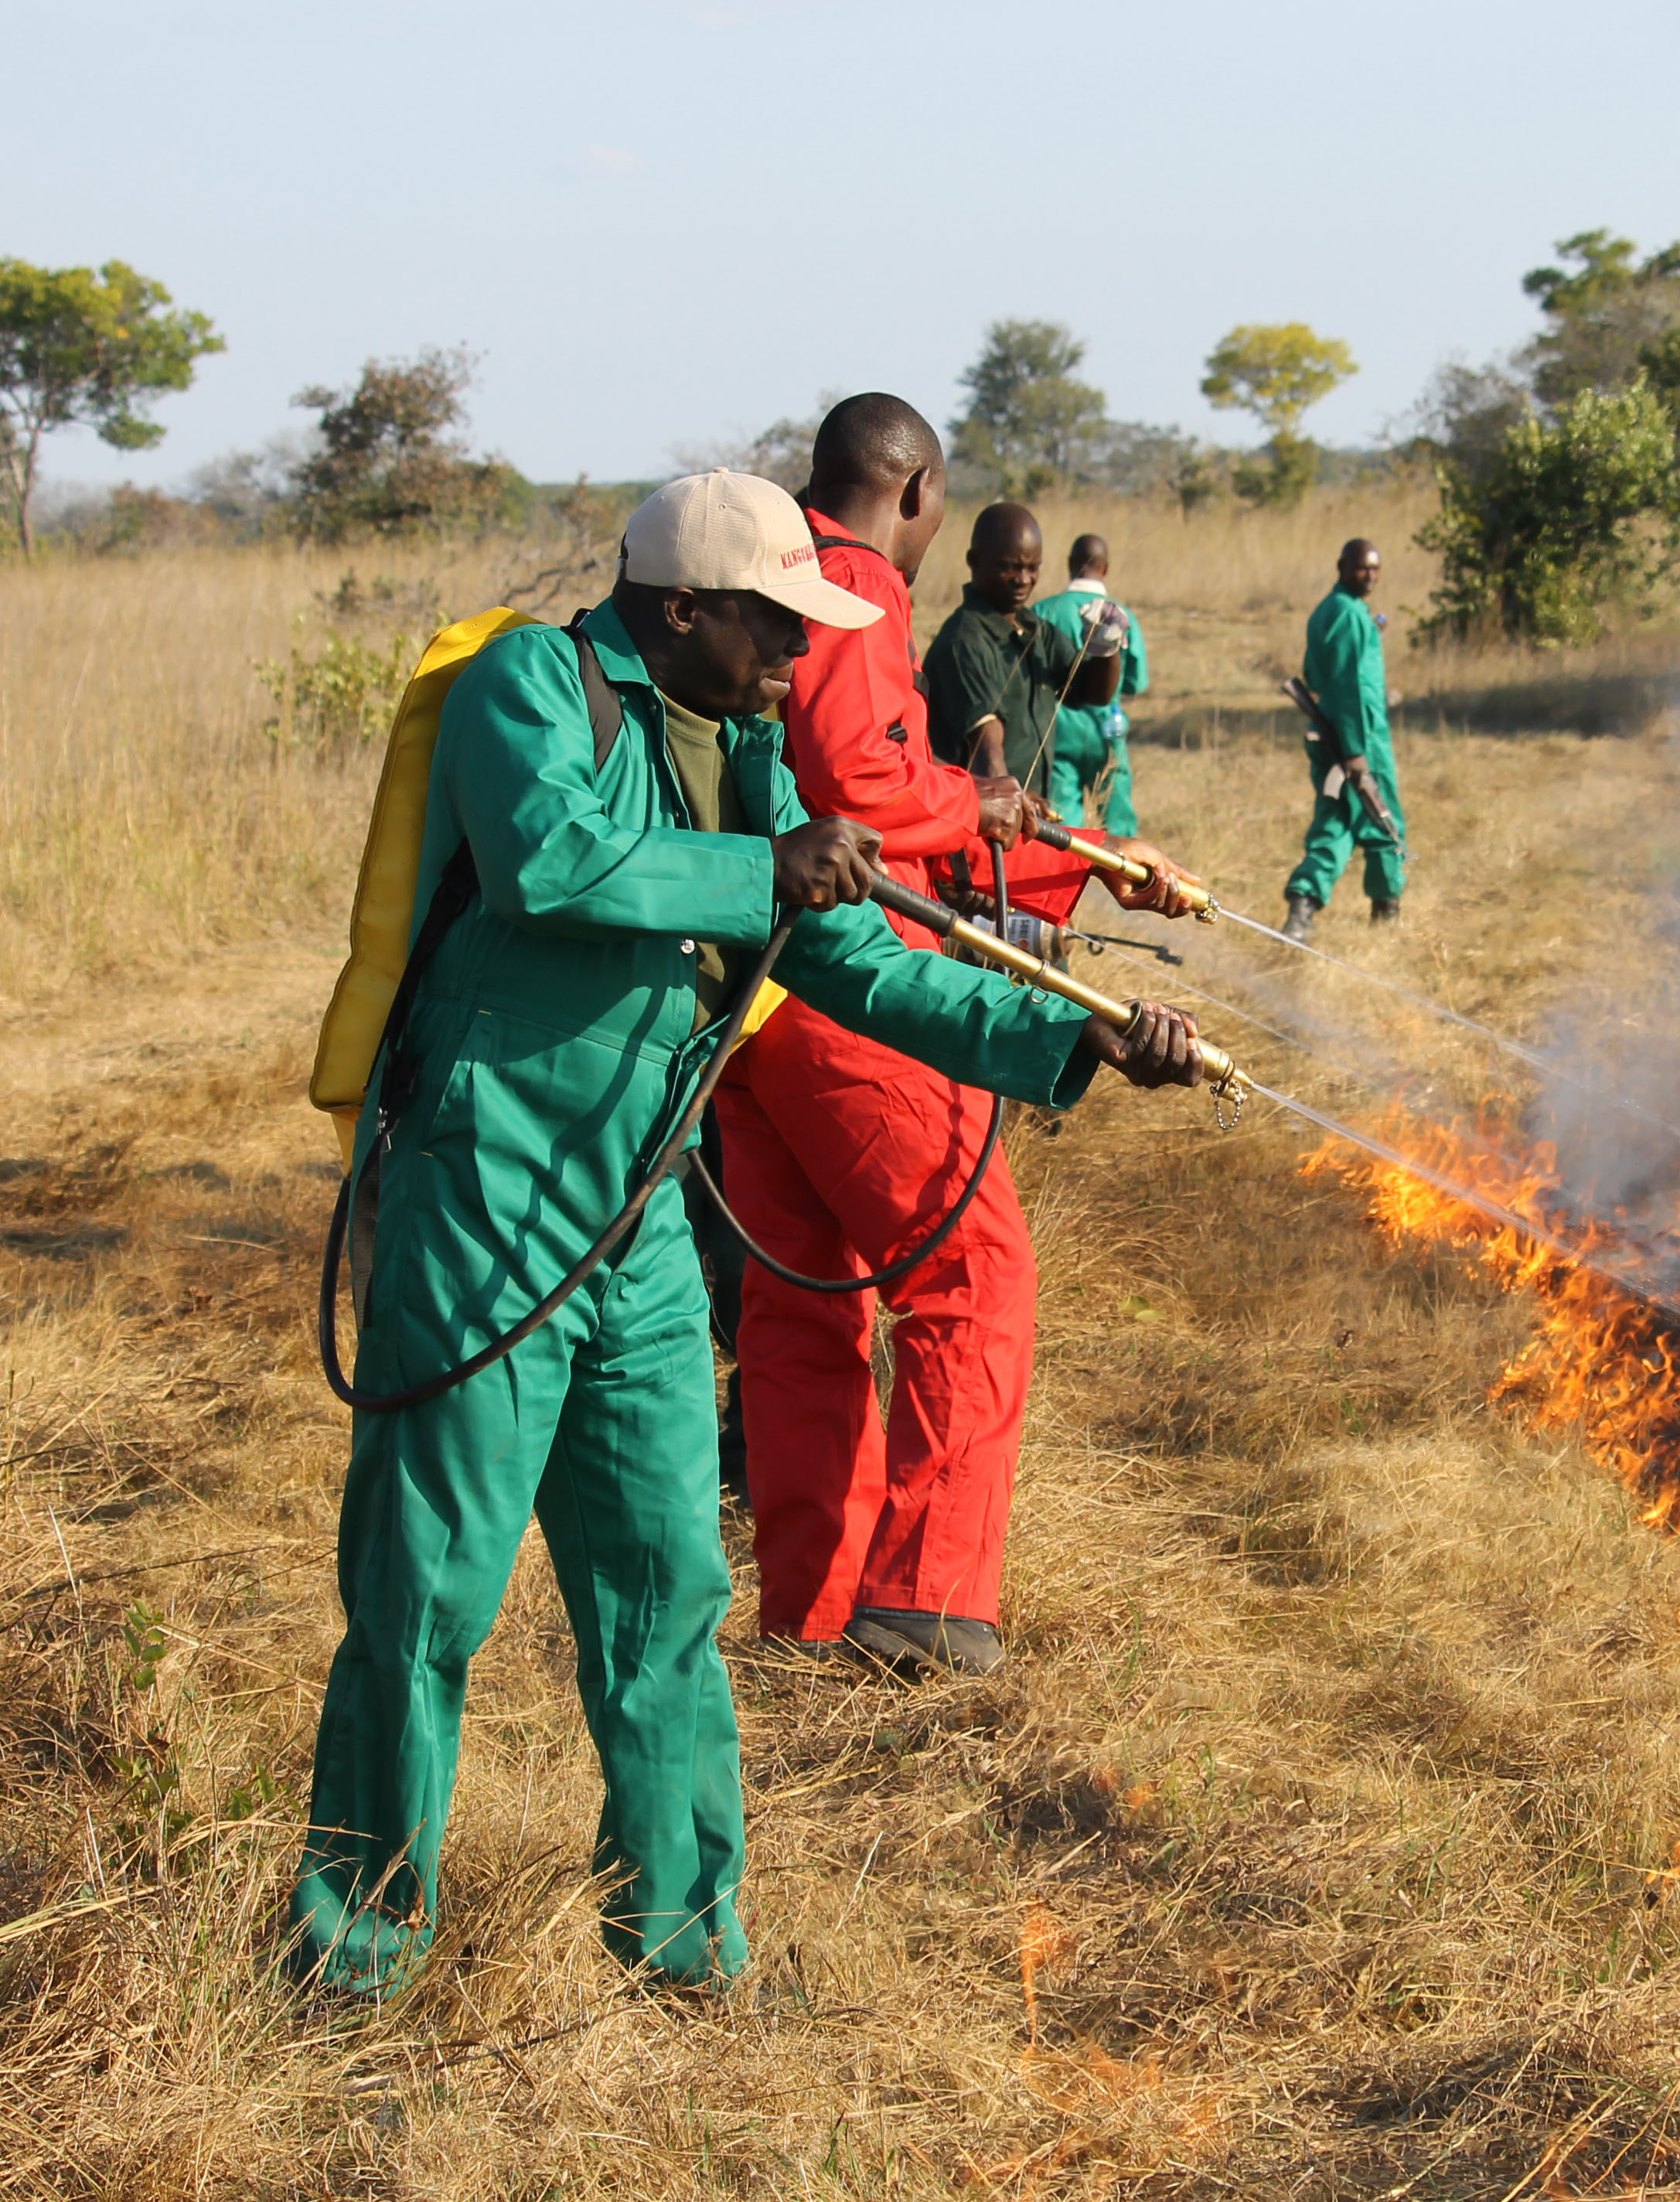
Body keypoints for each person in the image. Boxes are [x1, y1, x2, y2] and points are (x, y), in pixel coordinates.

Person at [293, 469, 1205, 1997]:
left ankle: (688, 1947)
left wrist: (1077, 1033)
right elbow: (552, 861)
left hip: (642, 1228)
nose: (804, 654)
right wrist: (756, 869)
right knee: (428, 1589)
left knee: (664, 1594)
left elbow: (856, 959)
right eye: (781, 625)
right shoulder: (536, 678)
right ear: (686, 607)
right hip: (486, 1208)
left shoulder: (761, 754)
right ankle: (357, 1949)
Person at [715, 400, 1201, 1675]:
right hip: (838, 991)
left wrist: (1065, 854)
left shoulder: (757, 571)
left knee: (808, 1296)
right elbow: (867, 793)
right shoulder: (854, 579)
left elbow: (888, 806)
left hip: (745, 1001)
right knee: (972, 1274)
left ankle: (814, 1609)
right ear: (918, 490)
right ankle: (927, 1606)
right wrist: (983, 807)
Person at [920, 502, 1124, 792]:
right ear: (974, 561)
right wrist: (1015, 805)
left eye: (1032, 567)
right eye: (1010, 568)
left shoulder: (1034, 629)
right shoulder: (963, 642)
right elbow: (987, 754)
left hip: (1022, 808)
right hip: (983, 817)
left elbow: (1094, 692)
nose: (1024, 580)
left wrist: (1106, 647)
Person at [1283, 537, 1404, 943]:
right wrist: (1355, 753)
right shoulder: (1350, 615)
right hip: (1359, 744)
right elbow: (1350, 687)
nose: (1370, 575)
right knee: (1383, 823)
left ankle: (1302, 907)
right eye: (1361, 567)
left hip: (1333, 735)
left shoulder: (1329, 612)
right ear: (1341, 566)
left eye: (1375, 568)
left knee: (1335, 823)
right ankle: (1387, 919)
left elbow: (1317, 677)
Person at [1028, 533, 1147, 833]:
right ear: (1105, 568)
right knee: (1119, 823)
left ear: (1070, 564)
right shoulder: (1121, 615)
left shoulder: (1043, 612)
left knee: (1060, 826)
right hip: (1107, 733)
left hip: (1057, 734)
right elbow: (1136, 681)